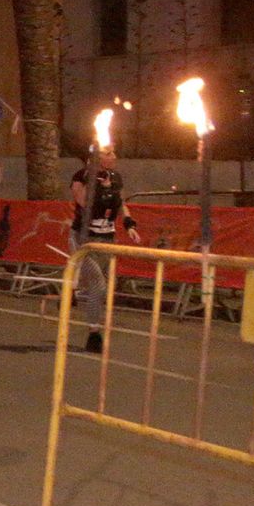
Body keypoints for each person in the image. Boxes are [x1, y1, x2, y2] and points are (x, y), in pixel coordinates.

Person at [70, 146, 141, 353]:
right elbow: (84, 202)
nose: (114, 156)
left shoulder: (116, 177)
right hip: (84, 239)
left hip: (107, 239)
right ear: (97, 157)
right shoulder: (82, 177)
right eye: (108, 153)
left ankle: (75, 290)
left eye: (113, 152)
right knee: (98, 285)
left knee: (103, 286)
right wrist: (97, 184)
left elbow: (120, 203)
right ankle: (94, 334)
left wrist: (129, 224)